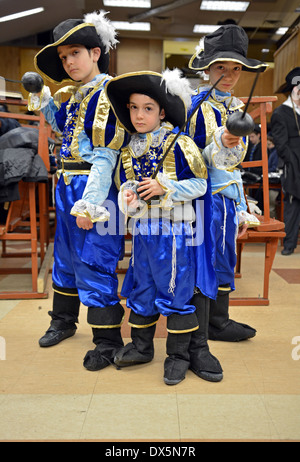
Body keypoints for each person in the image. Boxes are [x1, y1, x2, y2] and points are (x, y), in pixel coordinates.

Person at [106, 69, 223, 385]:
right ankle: (141, 347)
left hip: (173, 233)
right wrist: (128, 196)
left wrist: (164, 187)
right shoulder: (130, 148)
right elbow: (125, 184)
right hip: (143, 233)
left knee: (175, 292)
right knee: (141, 290)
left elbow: (199, 184)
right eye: (133, 107)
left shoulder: (181, 144)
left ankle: (178, 356)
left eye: (147, 108)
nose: (139, 115)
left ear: (161, 111)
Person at [28, 11, 128, 371]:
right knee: (66, 257)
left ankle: (106, 339)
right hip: (68, 185)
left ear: (95, 53)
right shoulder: (72, 95)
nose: (69, 62)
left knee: (96, 260)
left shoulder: (109, 95)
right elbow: (62, 129)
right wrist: (45, 100)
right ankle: (63, 320)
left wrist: (91, 203)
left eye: (75, 53)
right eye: (64, 56)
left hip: (98, 193)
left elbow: (105, 156)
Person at [188, 24, 266, 342]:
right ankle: (199, 326)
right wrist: (219, 139)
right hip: (201, 197)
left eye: (236, 68)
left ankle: (219, 320)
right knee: (203, 258)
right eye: (221, 67)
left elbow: (237, 165)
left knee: (224, 256)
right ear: (207, 68)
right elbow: (186, 157)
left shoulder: (237, 108)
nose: (230, 75)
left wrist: (242, 205)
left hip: (228, 197)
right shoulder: (194, 106)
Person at [271, 67, 300, 255]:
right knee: (293, 203)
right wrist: (293, 163)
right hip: (293, 165)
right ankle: (289, 244)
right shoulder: (281, 113)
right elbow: (281, 145)